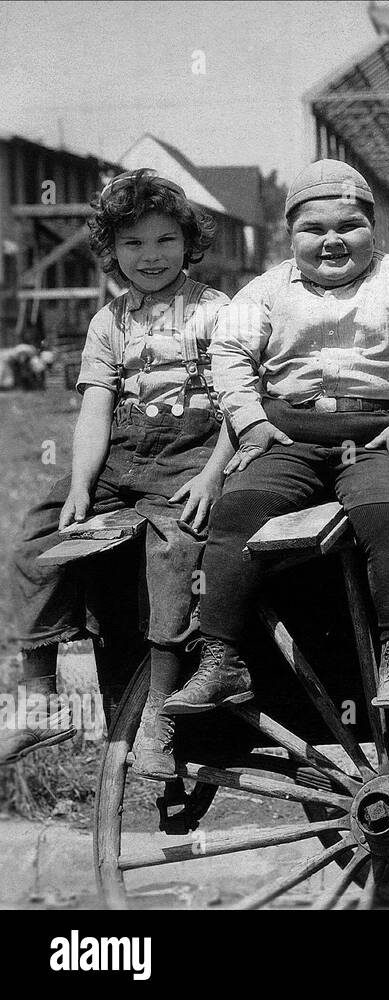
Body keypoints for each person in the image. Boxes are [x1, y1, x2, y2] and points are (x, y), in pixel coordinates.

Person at [163, 159, 389, 717]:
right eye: (313, 230)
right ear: (289, 234)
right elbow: (230, 354)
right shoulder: (267, 289)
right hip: (288, 435)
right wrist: (252, 423)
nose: (331, 241)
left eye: (348, 226)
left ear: (373, 229)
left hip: (379, 433)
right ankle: (221, 657)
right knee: (237, 510)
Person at [5, 169, 235, 776]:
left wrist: (214, 473)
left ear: (187, 241)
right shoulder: (110, 322)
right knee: (36, 536)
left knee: (174, 549)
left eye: (164, 240)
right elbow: (96, 410)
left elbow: (241, 405)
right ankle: (38, 699)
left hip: (193, 454)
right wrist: (81, 484)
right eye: (132, 244)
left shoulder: (219, 313)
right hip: (121, 458)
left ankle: (159, 708)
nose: (150, 256)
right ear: (111, 252)